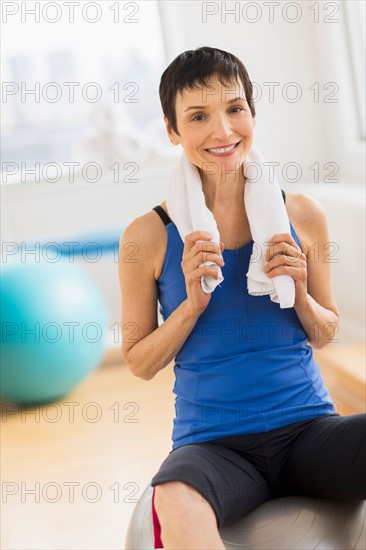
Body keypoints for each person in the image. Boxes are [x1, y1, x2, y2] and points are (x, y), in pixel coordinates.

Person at [118, 47, 366, 549]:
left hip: (307, 430)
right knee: (173, 496)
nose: (223, 131)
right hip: (213, 447)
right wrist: (190, 305)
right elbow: (140, 363)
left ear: (252, 112)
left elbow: (326, 331)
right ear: (172, 131)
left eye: (235, 109)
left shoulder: (302, 214)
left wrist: (297, 293)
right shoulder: (147, 236)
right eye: (198, 117)